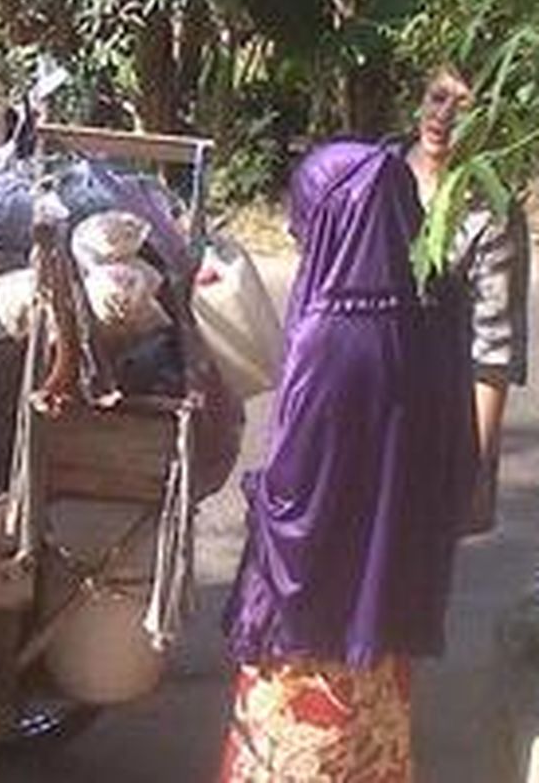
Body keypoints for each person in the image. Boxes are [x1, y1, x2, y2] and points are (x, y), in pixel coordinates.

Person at [218, 140, 477, 781]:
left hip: (311, 619)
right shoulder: (438, 309)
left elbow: (295, 495)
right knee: (371, 742)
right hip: (388, 597)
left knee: (299, 749)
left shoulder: (328, 334)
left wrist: (260, 497)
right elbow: (458, 457)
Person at [404, 64, 531, 536]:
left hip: (438, 420)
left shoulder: (492, 214)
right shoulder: (379, 175)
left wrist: (473, 468)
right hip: (363, 415)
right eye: (437, 97)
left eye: (464, 107)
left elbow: (493, 351)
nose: (443, 116)